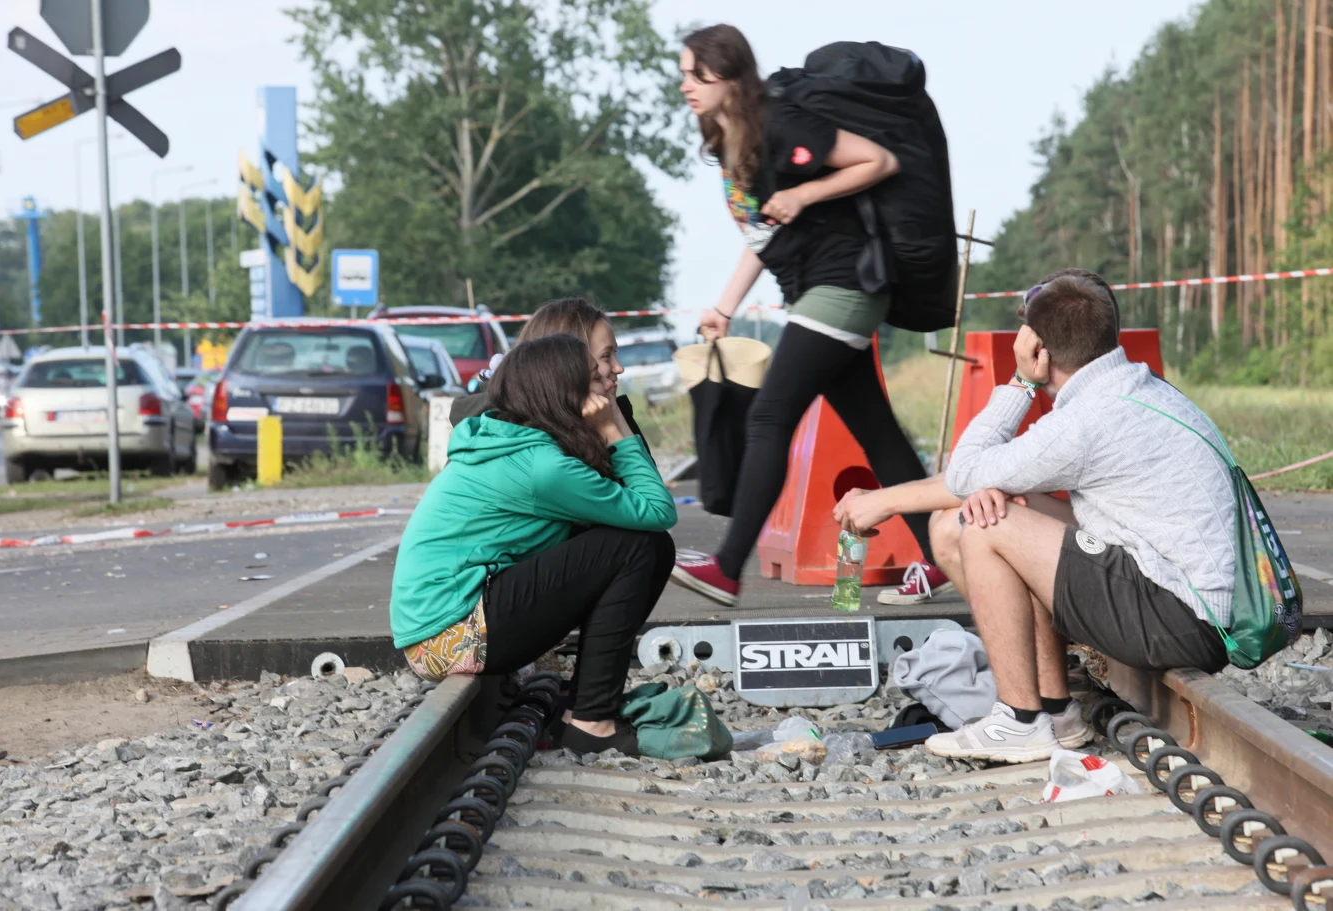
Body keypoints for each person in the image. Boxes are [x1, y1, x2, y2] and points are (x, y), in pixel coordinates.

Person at [834, 268, 1235, 763]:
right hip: (1183, 595)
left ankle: (1020, 720)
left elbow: (965, 471)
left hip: (1179, 617)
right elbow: (981, 480)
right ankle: (1055, 710)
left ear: (1039, 348)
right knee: (1003, 505)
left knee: (981, 523)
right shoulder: (1136, 387)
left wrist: (1021, 379)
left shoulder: (1085, 421)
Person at [668, 24, 945, 607]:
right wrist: (724, 305)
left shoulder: (781, 124)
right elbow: (761, 232)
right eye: (684, 73)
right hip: (815, 290)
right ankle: (943, 558)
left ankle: (726, 567)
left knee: (769, 417)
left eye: (698, 74)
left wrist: (805, 194)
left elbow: (878, 160)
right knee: (879, 434)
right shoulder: (731, 139)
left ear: (732, 76)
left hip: (844, 285)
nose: (686, 84)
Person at [390, 334, 678, 756]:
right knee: (637, 546)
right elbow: (657, 510)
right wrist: (616, 430)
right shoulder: (543, 469)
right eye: (594, 378)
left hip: (442, 627)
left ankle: (586, 707)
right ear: (565, 392)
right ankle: (591, 721)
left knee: (638, 544)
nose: (608, 383)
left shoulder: (517, 443)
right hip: (451, 634)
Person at [449, 297, 653, 459]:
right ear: (566, 361)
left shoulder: (584, 417)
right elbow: (650, 508)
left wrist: (614, 411)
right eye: (606, 356)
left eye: (616, 354)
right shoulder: (531, 439)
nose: (619, 367)